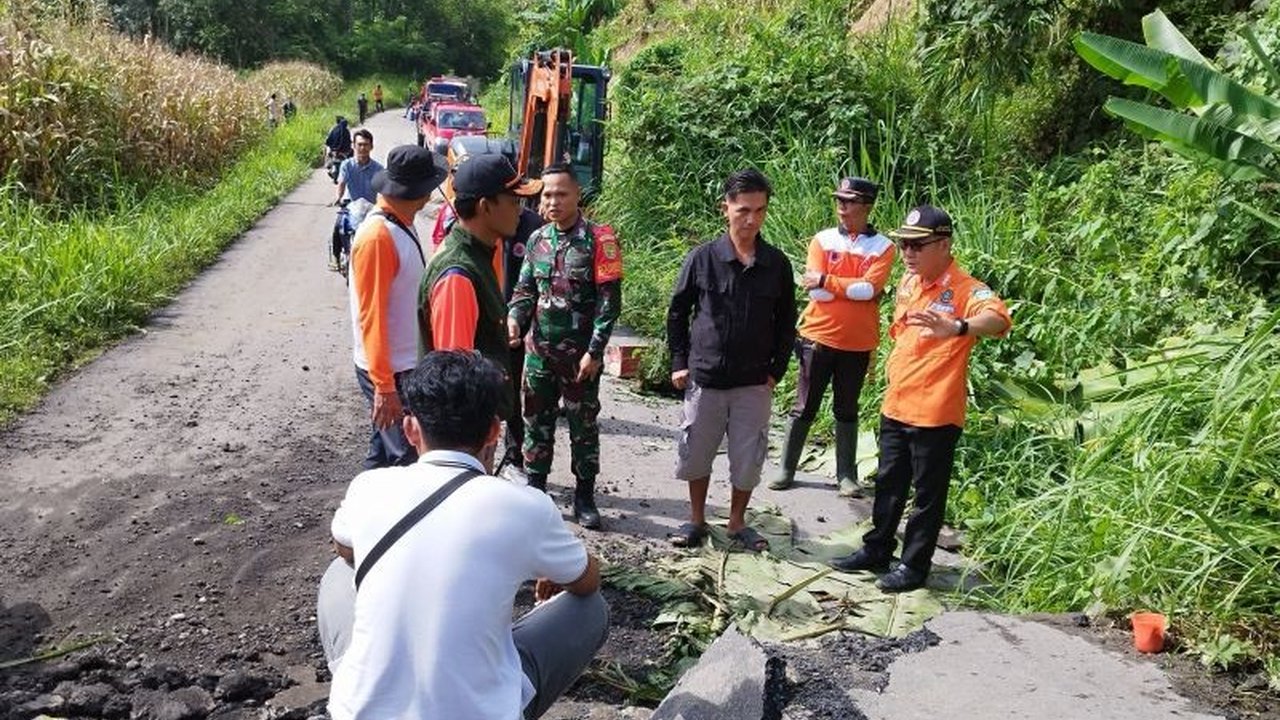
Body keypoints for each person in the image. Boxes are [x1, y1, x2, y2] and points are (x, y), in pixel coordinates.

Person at [317, 350, 609, 720]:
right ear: (493, 431)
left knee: (339, 573)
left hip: (358, 713)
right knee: (592, 609)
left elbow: (343, 546)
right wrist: (550, 569)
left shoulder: (370, 486)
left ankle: (362, 682)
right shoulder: (525, 506)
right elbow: (588, 582)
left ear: (410, 430)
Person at [828, 205, 1011, 592]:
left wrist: (959, 326)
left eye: (917, 245)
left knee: (927, 495)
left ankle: (914, 566)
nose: (908, 253)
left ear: (943, 245)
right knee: (889, 483)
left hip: (936, 410)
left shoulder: (965, 289)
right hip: (897, 402)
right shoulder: (910, 283)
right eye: (904, 245)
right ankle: (877, 548)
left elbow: (998, 321)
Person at [666, 168, 797, 552]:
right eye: (743, 210)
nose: (751, 219)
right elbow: (678, 312)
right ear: (726, 209)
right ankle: (696, 520)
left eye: (759, 210)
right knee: (697, 452)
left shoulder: (776, 264)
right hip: (706, 376)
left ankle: (738, 522)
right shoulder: (703, 258)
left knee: (748, 457)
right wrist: (679, 361)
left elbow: (787, 321)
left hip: (754, 381)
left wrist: (775, 371)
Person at [507, 165, 622, 529]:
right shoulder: (538, 239)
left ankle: (584, 496)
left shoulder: (599, 240)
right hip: (539, 354)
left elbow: (609, 303)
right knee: (535, 424)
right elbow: (525, 291)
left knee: (582, 427)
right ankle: (536, 491)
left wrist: (596, 351)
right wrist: (514, 318)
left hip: (579, 359)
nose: (553, 201)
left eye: (561, 194)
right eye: (547, 195)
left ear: (577, 196)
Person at [770, 177, 895, 495]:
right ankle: (786, 468)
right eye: (839, 199)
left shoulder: (884, 247)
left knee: (847, 408)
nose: (842, 206)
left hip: (858, 342)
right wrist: (844, 287)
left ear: (867, 206)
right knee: (804, 405)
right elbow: (819, 293)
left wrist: (828, 279)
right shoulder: (822, 240)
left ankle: (846, 475)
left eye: (849, 201)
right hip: (818, 336)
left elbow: (870, 289)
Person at [419, 154, 542, 425]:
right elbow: (455, 383)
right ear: (485, 206)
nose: (520, 211)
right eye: (513, 201)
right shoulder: (458, 275)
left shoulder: (481, 255)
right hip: (464, 430)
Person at [348, 145, 447, 470]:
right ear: (416, 191)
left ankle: (363, 513)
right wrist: (384, 386)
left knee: (384, 453)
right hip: (391, 372)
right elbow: (370, 316)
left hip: (403, 367)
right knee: (406, 456)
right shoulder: (378, 237)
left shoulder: (400, 223)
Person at [324, 116, 353, 182]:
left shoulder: (334, 129)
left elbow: (328, 140)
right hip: (345, 151)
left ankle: (328, 166)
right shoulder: (346, 131)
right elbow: (348, 141)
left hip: (334, 150)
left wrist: (331, 146)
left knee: (328, 154)